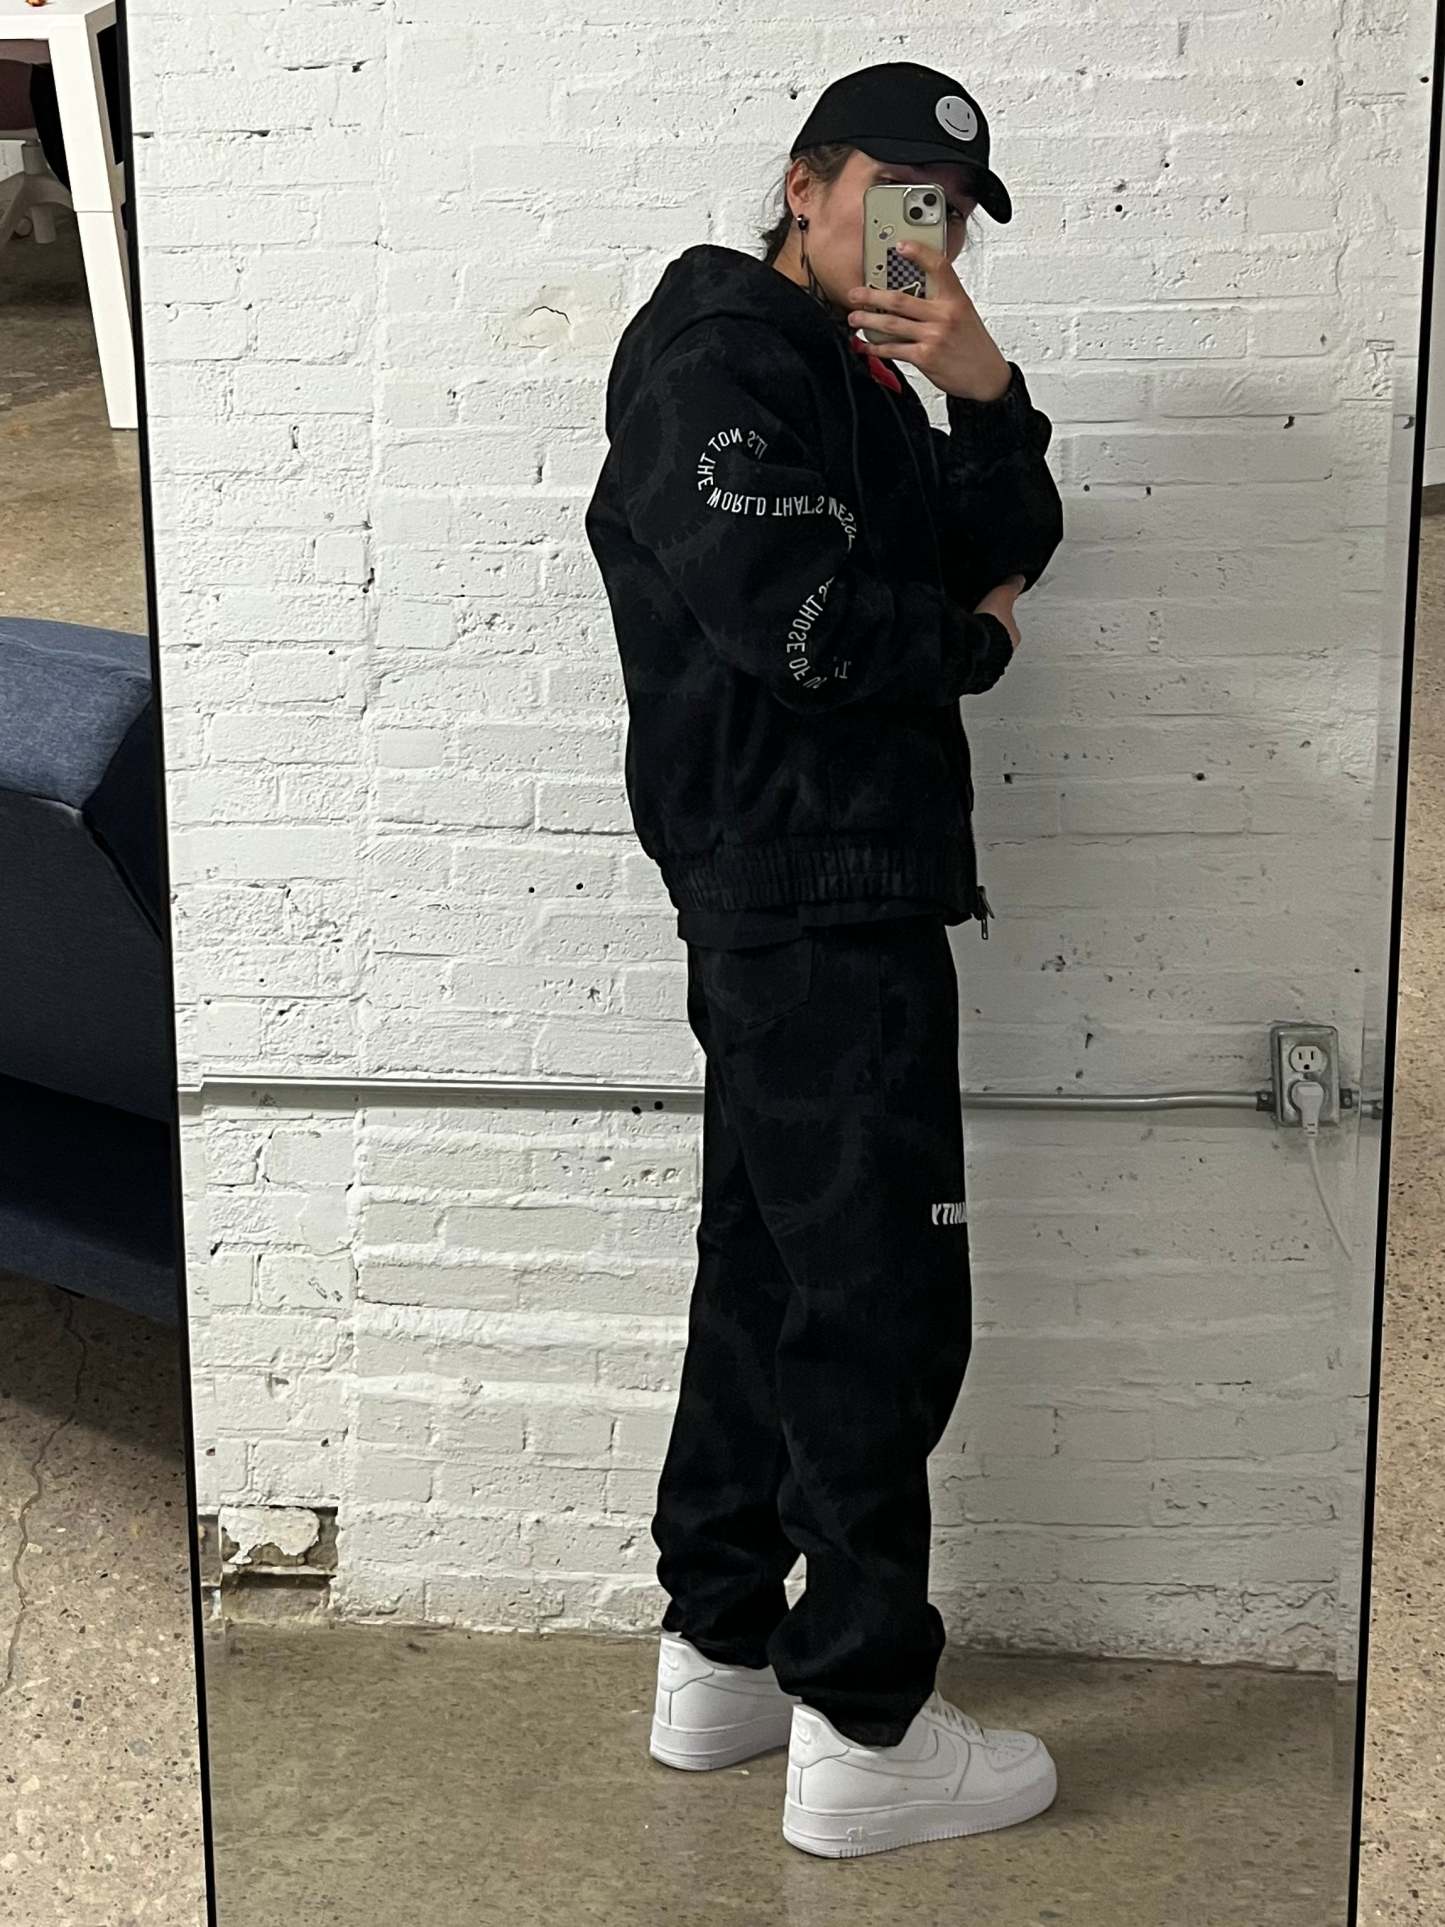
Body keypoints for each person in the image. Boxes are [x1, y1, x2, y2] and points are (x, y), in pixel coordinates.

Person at [584, 60, 1064, 1858]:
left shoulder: (857, 380)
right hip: (811, 885)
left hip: (809, 882)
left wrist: (982, 391)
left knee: (770, 1272)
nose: (918, 235)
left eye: (949, 214)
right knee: (876, 1300)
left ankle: (719, 1651)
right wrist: (970, 644)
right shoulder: (714, 359)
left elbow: (1005, 541)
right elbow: (806, 629)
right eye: (893, 194)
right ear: (804, 185)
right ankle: (866, 1724)